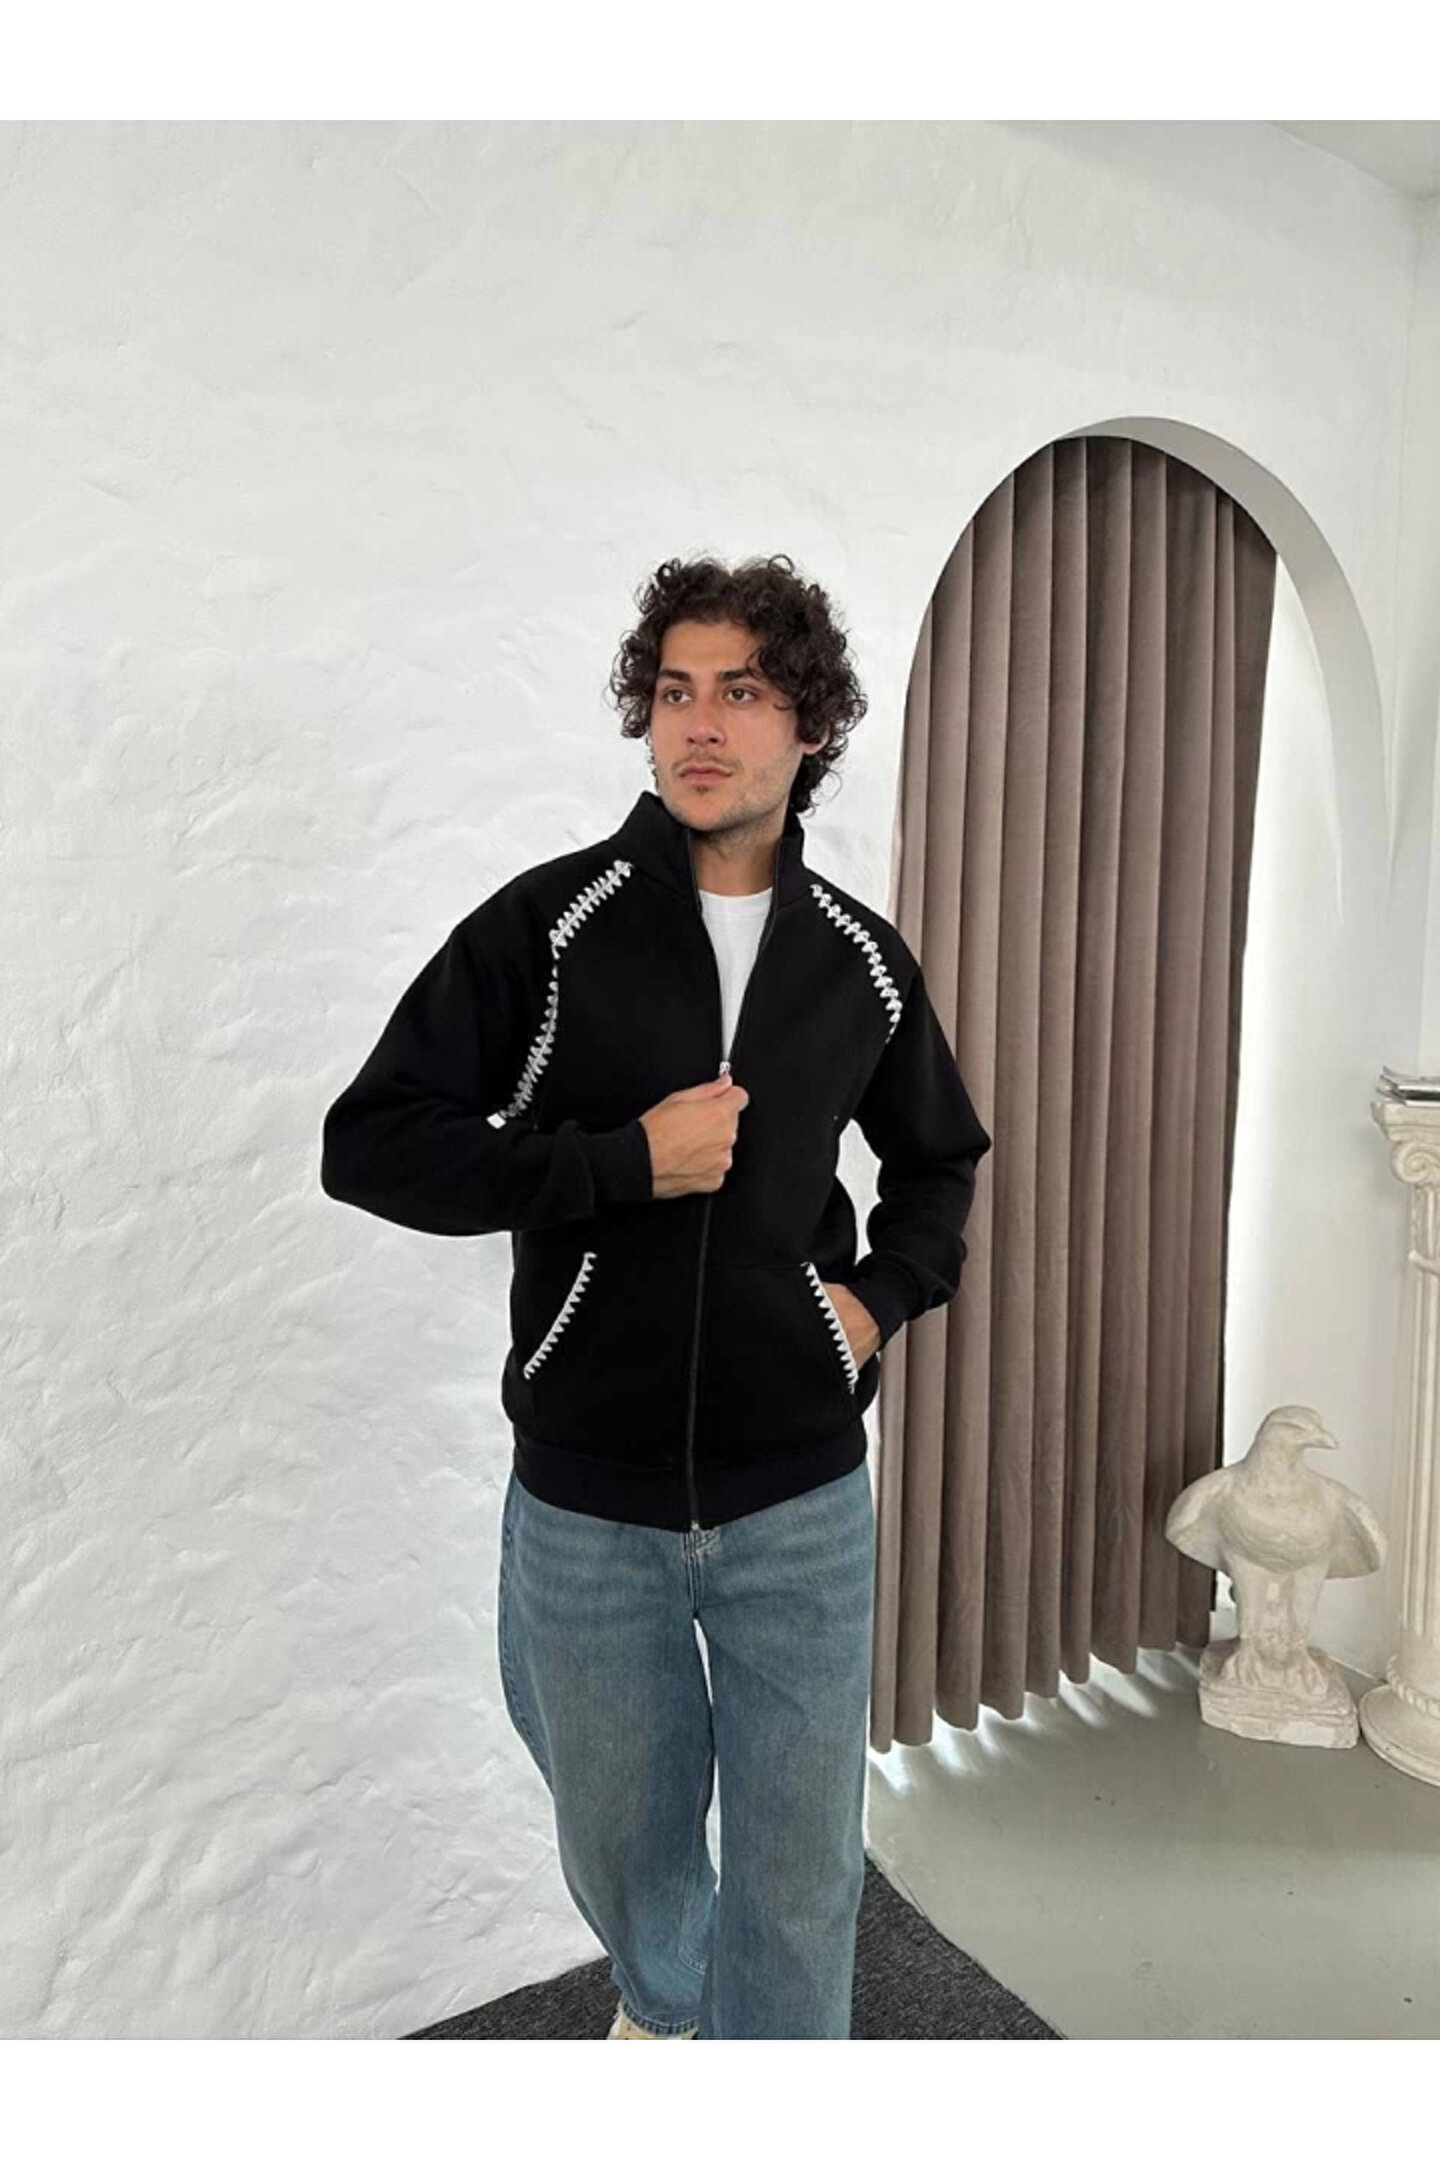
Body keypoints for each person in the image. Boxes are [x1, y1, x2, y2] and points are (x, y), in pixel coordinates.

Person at [320, 552, 992, 2039]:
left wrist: (872, 1304)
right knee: (621, 1847)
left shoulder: (861, 965)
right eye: (676, 692)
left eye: (741, 693)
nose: (700, 724)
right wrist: (621, 1163)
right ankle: (672, 1999)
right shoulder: (550, 929)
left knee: (803, 1878)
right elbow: (371, 1145)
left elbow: (940, 1163)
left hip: (800, 1500)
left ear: (808, 725)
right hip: (591, 1502)